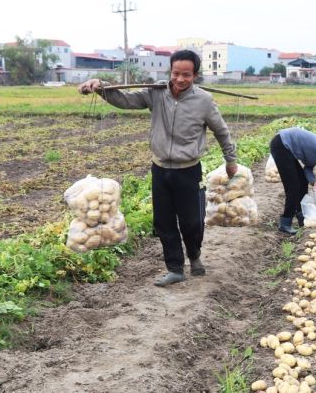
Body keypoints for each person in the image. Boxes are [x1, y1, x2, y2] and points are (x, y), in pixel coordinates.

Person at [78, 49, 238, 287]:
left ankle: (194, 255)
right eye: (176, 73)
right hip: (160, 168)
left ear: (195, 75)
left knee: (192, 221)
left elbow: (221, 130)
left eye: (187, 74)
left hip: (188, 169)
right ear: (170, 71)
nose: (180, 79)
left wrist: (231, 160)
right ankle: (175, 268)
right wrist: (101, 86)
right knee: (163, 222)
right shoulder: (156, 93)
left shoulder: (203, 100)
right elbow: (125, 100)